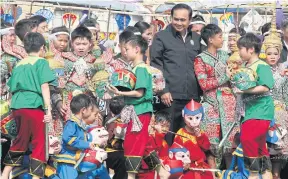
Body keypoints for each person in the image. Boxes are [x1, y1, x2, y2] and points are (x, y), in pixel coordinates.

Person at [107, 31, 169, 179]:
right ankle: (161, 171)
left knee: (132, 143)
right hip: (138, 111)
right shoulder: (137, 68)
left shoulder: (140, 68)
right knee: (144, 143)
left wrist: (119, 93)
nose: (125, 52)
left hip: (140, 111)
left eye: (127, 49)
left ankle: (131, 176)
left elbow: (139, 93)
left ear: (136, 49)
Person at [2, 32, 55, 179]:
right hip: (34, 105)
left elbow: (11, 88)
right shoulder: (41, 62)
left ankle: (5, 174)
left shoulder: (19, 64)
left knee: (20, 139)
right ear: (42, 48)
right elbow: (44, 87)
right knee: (39, 142)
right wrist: (48, 110)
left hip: (18, 106)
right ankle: (36, 177)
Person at [150, 3, 202, 146]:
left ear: (189, 20)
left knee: (187, 137)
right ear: (171, 18)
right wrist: (163, 90)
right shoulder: (161, 37)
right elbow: (155, 65)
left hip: (192, 96)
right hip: (170, 97)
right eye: (176, 19)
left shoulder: (197, 39)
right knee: (167, 135)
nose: (179, 23)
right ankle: (166, 165)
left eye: (182, 20)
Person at [194, 24, 237, 169]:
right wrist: (225, 77)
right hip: (212, 104)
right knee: (212, 145)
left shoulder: (227, 56)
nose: (223, 39)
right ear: (211, 39)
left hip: (231, 104)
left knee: (231, 144)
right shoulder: (200, 59)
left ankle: (230, 174)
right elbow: (204, 84)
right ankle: (213, 173)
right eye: (220, 36)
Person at [236, 33, 274, 179]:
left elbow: (266, 86)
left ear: (251, 49)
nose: (239, 52)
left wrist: (244, 90)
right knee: (259, 146)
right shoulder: (246, 66)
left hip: (261, 110)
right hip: (250, 110)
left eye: (241, 48)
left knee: (248, 140)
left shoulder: (261, 65)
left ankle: (252, 174)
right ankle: (266, 173)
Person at [262, 18, 288, 178]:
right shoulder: (259, 68)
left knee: (279, 150)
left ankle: (277, 175)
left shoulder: (283, 71)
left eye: (275, 53)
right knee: (265, 149)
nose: (272, 56)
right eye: (269, 53)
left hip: (281, 114)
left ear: (280, 55)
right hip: (264, 112)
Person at [55, 94, 102, 178]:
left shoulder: (80, 125)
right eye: (90, 109)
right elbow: (68, 139)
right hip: (67, 161)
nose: (92, 112)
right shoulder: (72, 123)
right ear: (83, 110)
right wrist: (86, 144)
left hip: (76, 160)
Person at [59, 26, 97, 120]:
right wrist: (58, 101)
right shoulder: (63, 58)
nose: (81, 47)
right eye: (78, 44)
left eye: (84, 44)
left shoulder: (95, 61)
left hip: (88, 101)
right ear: (72, 43)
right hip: (68, 100)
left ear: (90, 44)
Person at [174, 99, 213, 179]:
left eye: (197, 118)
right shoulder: (180, 133)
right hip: (187, 168)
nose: (194, 122)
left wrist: (199, 136)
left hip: (201, 167)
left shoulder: (201, 133)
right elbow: (176, 151)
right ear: (184, 117)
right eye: (190, 118)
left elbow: (206, 147)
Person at [137, 111, 171, 179]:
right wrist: (159, 134)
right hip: (147, 170)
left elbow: (164, 157)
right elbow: (155, 150)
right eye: (162, 126)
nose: (165, 129)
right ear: (154, 124)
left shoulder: (164, 143)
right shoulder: (150, 137)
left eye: (167, 126)